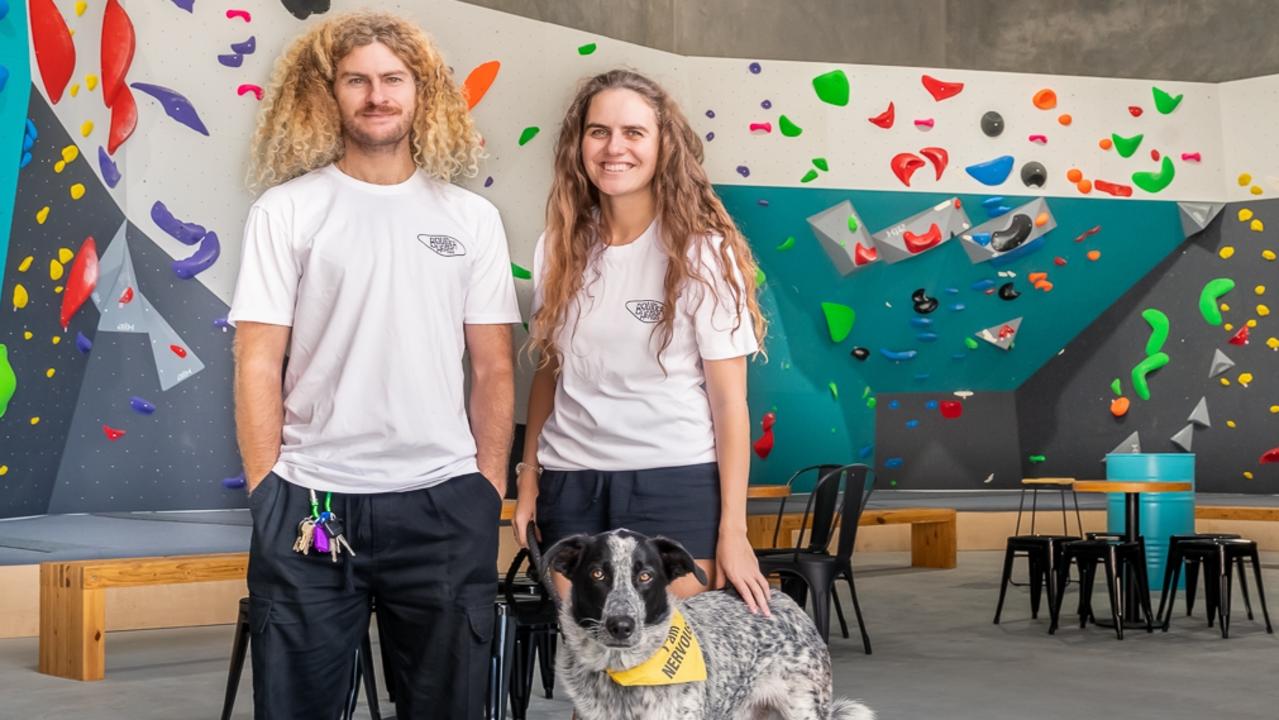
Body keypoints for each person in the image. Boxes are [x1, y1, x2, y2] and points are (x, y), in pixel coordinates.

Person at [229, 11, 519, 718]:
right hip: (313, 502)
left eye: (393, 79)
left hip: (445, 503)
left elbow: (493, 369)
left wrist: (484, 487)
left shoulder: (469, 219)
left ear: (422, 93)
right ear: (326, 94)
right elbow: (257, 360)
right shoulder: (286, 211)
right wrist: (269, 489)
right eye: (355, 80)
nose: (376, 95)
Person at [512, 69, 772, 615]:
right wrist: (530, 475)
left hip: (675, 482)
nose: (614, 148)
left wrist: (734, 529)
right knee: (594, 679)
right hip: (571, 484)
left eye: (634, 133)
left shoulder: (704, 254)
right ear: (578, 144)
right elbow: (550, 373)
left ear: (663, 146)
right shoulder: (559, 246)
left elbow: (730, 404)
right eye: (598, 131)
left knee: (675, 676)